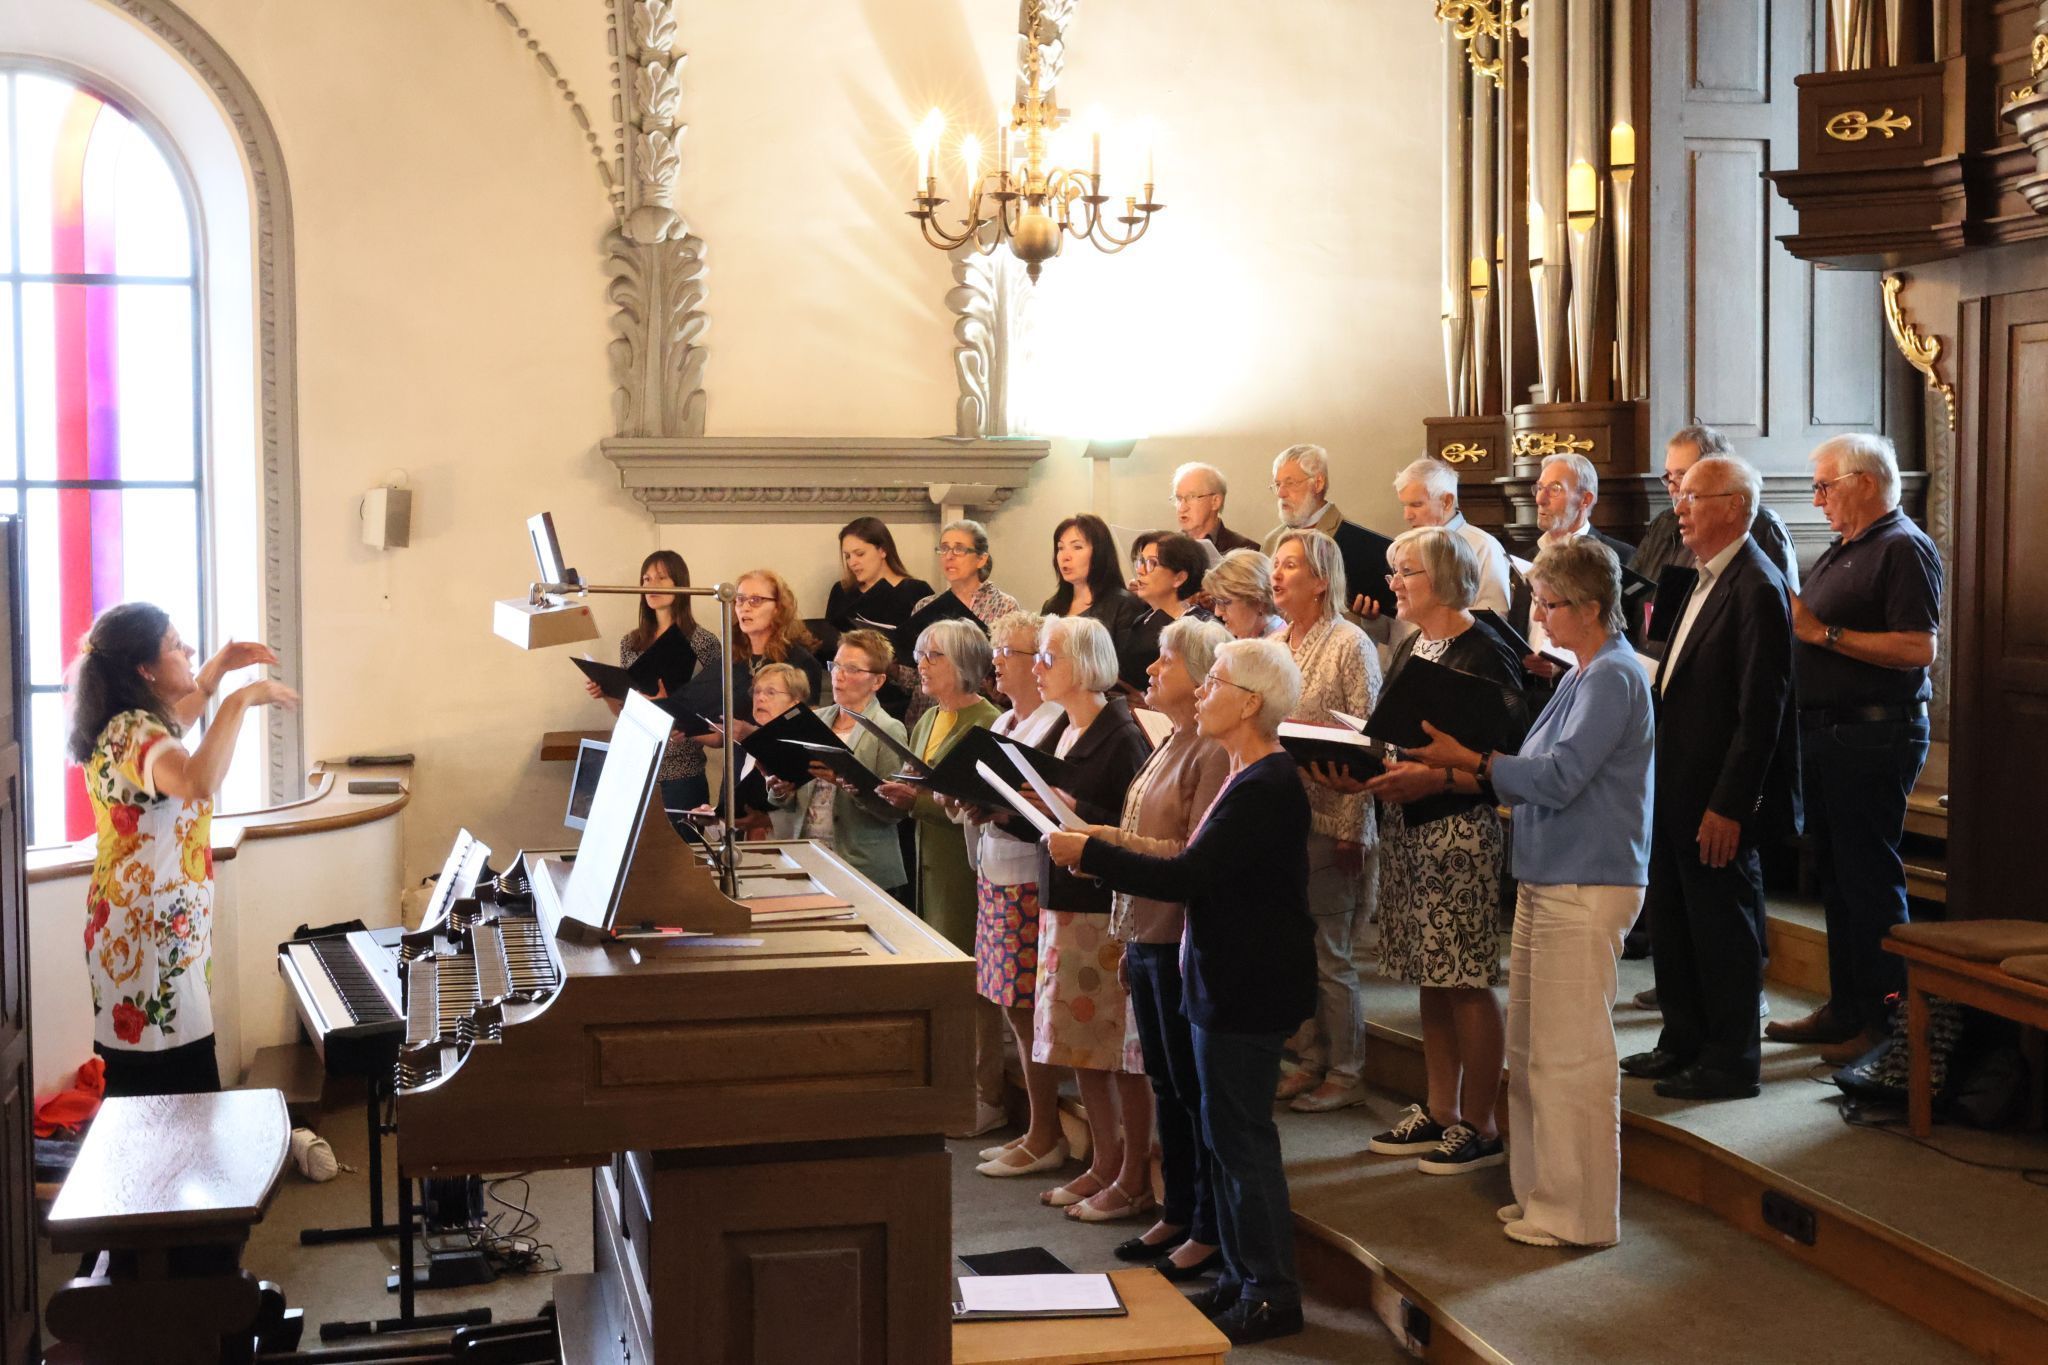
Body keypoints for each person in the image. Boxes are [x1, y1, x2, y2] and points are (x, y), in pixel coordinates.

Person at [1048, 637, 1315, 1347]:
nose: (1202, 690)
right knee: (1221, 1134)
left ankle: (1272, 1291)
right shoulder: (1240, 771)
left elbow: (1191, 874)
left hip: (1246, 984)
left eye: (1216, 681)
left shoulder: (1267, 782)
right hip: (1219, 975)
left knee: (1241, 1138)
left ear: (1250, 702)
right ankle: (1239, 1273)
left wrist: (1093, 853)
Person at [1405, 537, 1654, 1250]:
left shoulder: (1613, 677)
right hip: (1550, 873)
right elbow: (1540, 764)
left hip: (1590, 877)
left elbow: (1559, 778)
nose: (1537, 614)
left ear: (1592, 607)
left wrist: (1473, 762)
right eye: (1537, 600)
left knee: (1572, 1056)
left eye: (1548, 603)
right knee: (1536, 1049)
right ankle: (1545, 1194)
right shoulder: (1581, 674)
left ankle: (1581, 1214)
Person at [1619, 456, 1800, 1101]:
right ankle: (1683, 1040)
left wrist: (1731, 805)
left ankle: (1729, 1060)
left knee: (1721, 930)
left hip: (1716, 797)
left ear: (1733, 506)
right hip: (1674, 784)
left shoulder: (1756, 584)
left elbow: (1762, 713)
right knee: (1673, 920)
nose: (1681, 510)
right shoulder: (1700, 578)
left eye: (1693, 497)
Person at [66, 604, 297, 1097]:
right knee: (174, 1088)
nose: (188, 650)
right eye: (176, 645)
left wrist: (213, 672)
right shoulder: (134, 730)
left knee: (149, 1082)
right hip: (148, 938)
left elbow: (175, 730)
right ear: (144, 670)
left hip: (138, 924)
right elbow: (196, 779)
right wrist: (242, 699)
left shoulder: (129, 723)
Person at [1354, 529, 1527, 1172]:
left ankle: (1481, 1123)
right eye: (1394, 570)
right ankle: (1440, 1109)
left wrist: (1435, 777)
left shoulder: (1484, 649)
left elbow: (1506, 758)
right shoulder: (1418, 643)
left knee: (1465, 979)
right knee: (1433, 974)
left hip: (1459, 830)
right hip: (1410, 825)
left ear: (1447, 578)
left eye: (1407, 572)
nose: (1393, 582)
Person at [1766, 434, 1940, 1064]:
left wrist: (1823, 633)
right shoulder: (1846, 549)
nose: (1817, 500)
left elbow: (1919, 650)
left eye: (1824, 486)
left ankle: (1886, 1026)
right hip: (1830, 733)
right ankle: (1846, 1008)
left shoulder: (1903, 548)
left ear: (1865, 481)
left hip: (1875, 733)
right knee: (1837, 881)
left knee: (1869, 881)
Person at [1077, 616, 1232, 1278]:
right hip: (1142, 927)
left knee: (1191, 1088)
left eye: (1165, 661)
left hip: (1176, 932)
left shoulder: (1212, 749)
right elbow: (1146, 824)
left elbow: (1193, 853)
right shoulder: (1168, 740)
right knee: (1166, 1081)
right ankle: (1176, 1208)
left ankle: (1204, 1225)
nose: (1151, 671)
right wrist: (1102, 836)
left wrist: (1104, 845)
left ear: (1200, 675)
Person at [1025, 615, 1156, 1221]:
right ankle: (1102, 1162)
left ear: (1081, 665)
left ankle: (1130, 1172)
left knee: (1116, 1050)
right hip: (1065, 897)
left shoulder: (1121, 732)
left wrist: (1077, 808)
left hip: (1102, 906)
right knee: (1081, 1047)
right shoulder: (1064, 727)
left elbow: (1136, 828)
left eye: (1048, 658)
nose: (1036, 668)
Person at [875, 619, 1006, 1135]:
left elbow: (978, 803)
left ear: (967, 665)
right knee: (941, 977)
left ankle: (986, 1094)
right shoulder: (929, 718)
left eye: (934, 656)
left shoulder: (989, 720)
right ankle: (949, 1084)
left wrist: (921, 802)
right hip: (927, 856)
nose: (922, 665)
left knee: (973, 981)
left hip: (966, 860)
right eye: (921, 654)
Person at [1269, 529, 1381, 1113]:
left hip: (1333, 815)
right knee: (1292, 949)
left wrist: (1355, 828)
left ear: (1320, 579)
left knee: (1331, 954)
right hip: (1280, 816)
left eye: (1290, 565)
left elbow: (1369, 739)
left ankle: (1346, 1068)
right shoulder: (1275, 640)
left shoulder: (1349, 643)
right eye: (1276, 563)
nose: (1277, 573)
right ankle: (1307, 1057)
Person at [960, 612, 1072, 1180]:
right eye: (997, 649)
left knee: (1028, 1010)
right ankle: (1036, 1129)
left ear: (1039, 662)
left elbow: (1046, 806)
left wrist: (997, 807)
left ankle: (1046, 1131)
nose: (997, 658)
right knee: (1010, 1006)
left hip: (1030, 876)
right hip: (994, 868)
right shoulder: (1005, 718)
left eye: (1009, 650)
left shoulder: (1054, 723)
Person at [766, 629, 911, 900]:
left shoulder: (888, 728)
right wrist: (780, 788)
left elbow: (894, 812)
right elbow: (793, 798)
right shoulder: (814, 720)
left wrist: (848, 782)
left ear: (878, 680)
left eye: (852, 669)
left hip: (863, 864)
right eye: (836, 666)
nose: (838, 676)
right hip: (810, 854)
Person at [583, 550, 724, 825]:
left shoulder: (704, 643)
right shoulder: (631, 642)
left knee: (680, 858)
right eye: (645, 579)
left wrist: (667, 707)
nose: (650, 586)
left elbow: (714, 724)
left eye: (661, 577)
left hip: (681, 769)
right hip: (637, 766)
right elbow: (623, 712)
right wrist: (606, 693)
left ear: (681, 584)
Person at [1630, 425, 1799, 652]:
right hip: (1650, 660)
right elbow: (1636, 585)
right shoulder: (1665, 523)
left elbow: (1777, 621)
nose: (1672, 488)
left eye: (1682, 475)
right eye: (1669, 476)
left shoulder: (1763, 527)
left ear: (1716, 469)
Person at [1511, 454, 1636, 687]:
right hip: (1526, 695)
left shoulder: (1621, 558)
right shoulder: (1530, 557)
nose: (1540, 499)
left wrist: (1565, 662)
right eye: (1539, 488)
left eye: (1554, 489)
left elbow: (1626, 635)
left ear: (1585, 499)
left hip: (1591, 686)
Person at [894, 519, 1021, 724]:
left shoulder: (1003, 606)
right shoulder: (924, 606)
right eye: (944, 549)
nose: (949, 556)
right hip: (928, 712)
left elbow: (1011, 664)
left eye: (959, 549)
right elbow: (913, 678)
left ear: (981, 559)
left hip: (977, 712)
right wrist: (891, 667)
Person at [1259, 443, 1396, 621]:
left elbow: (1381, 624)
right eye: (1277, 484)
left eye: (1290, 483)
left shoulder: (1352, 542)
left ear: (1318, 483)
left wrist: (1370, 618)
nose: (1281, 493)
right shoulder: (1272, 541)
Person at [826, 517, 933, 717]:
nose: (852, 563)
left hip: (898, 697)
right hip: (850, 693)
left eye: (860, 554)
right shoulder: (842, 592)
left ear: (883, 550)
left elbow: (928, 652)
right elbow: (831, 645)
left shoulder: (916, 592)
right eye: (847, 556)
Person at [1392, 455, 1511, 613]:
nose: (1407, 515)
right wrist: (1374, 619)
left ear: (1446, 501)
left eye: (1416, 505)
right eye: (1404, 506)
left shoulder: (1483, 547)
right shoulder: (1401, 547)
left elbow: (1494, 617)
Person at [1043, 513, 1148, 658]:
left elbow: (1125, 668)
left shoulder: (1123, 604)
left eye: (1077, 547)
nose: (1065, 556)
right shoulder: (1052, 606)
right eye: (1060, 548)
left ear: (1099, 553)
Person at [1121, 531, 1215, 691]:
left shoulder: (1199, 627)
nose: (1140, 570)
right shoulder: (1143, 617)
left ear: (1179, 578)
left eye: (1151, 563)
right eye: (1140, 562)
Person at [731, 567, 826, 700]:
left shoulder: (801, 662)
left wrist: (748, 723)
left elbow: (799, 718)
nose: (745, 608)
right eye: (740, 599)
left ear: (778, 608)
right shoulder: (733, 655)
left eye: (756, 600)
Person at [1170, 461, 1261, 554]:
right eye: (1178, 498)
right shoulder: (1165, 549)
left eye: (1191, 497)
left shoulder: (1245, 551)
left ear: (1215, 501)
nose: (1182, 508)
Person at [1204, 550, 1286, 641]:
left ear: (1257, 600)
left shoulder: (1275, 648)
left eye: (1224, 602)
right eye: (1216, 601)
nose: (1217, 612)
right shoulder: (1249, 635)